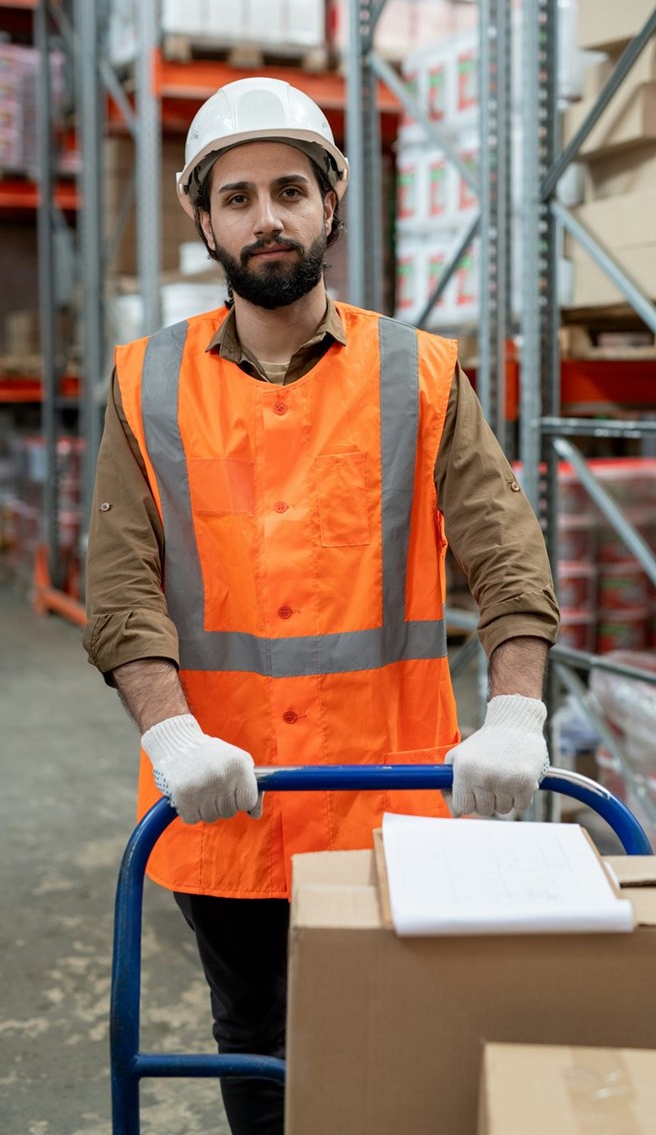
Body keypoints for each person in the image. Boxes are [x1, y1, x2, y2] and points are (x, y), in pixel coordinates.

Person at [83, 77, 559, 1135]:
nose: (267, 217)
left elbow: (506, 554)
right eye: (239, 196)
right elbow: (119, 583)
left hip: (387, 796)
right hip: (224, 795)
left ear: (331, 203)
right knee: (252, 1040)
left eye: (289, 190)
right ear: (201, 217)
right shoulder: (144, 381)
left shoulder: (419, 372)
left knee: (395, 1040)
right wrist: (171, 737)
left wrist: (515, 712)